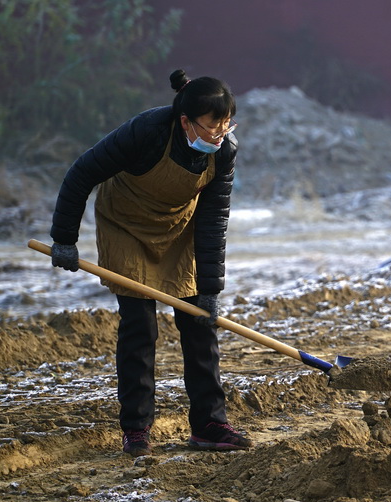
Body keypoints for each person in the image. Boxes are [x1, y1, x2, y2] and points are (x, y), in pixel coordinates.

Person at [49, 69, 252, 457]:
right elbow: (82, 174)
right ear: (185, 121)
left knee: (199, 325)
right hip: (126, 224)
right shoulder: (146, 131)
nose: (220, 133)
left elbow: (213, 220)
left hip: (179, 228)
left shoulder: (223, 152)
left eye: (227, 124)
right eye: (213, 125)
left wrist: (210, 290)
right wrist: (64, 239)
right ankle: (137, 428)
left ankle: (209, 424)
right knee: (140, 327)